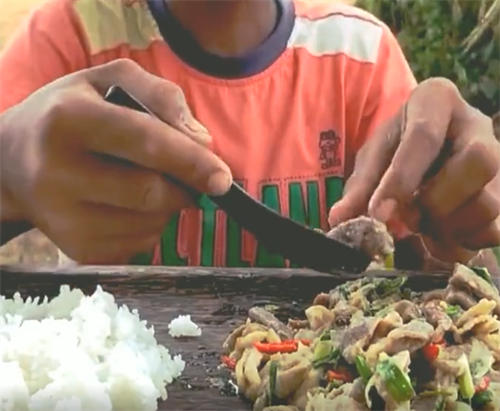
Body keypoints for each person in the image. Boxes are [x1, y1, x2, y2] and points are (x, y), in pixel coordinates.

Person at [0, 0, 498, 269]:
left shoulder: (359, 56)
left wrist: (457, 217)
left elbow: (429, 268)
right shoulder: (71, 37)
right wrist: (8, 171)